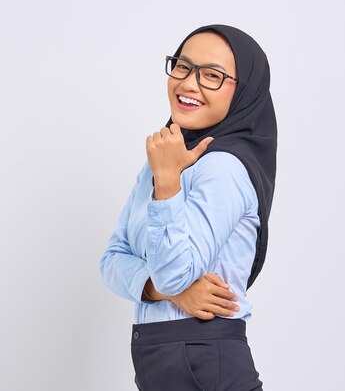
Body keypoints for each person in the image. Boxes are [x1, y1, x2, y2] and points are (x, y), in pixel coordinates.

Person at [99, 24, 277, 391]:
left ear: (242, 91)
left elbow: (174, 273)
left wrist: (168, 182)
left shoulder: (223, 167)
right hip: (164, 359)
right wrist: (163, 290)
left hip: (205, 359)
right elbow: (111, 260)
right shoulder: (161, 163)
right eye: (182, 66)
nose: (189, 84)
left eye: (212, 75)